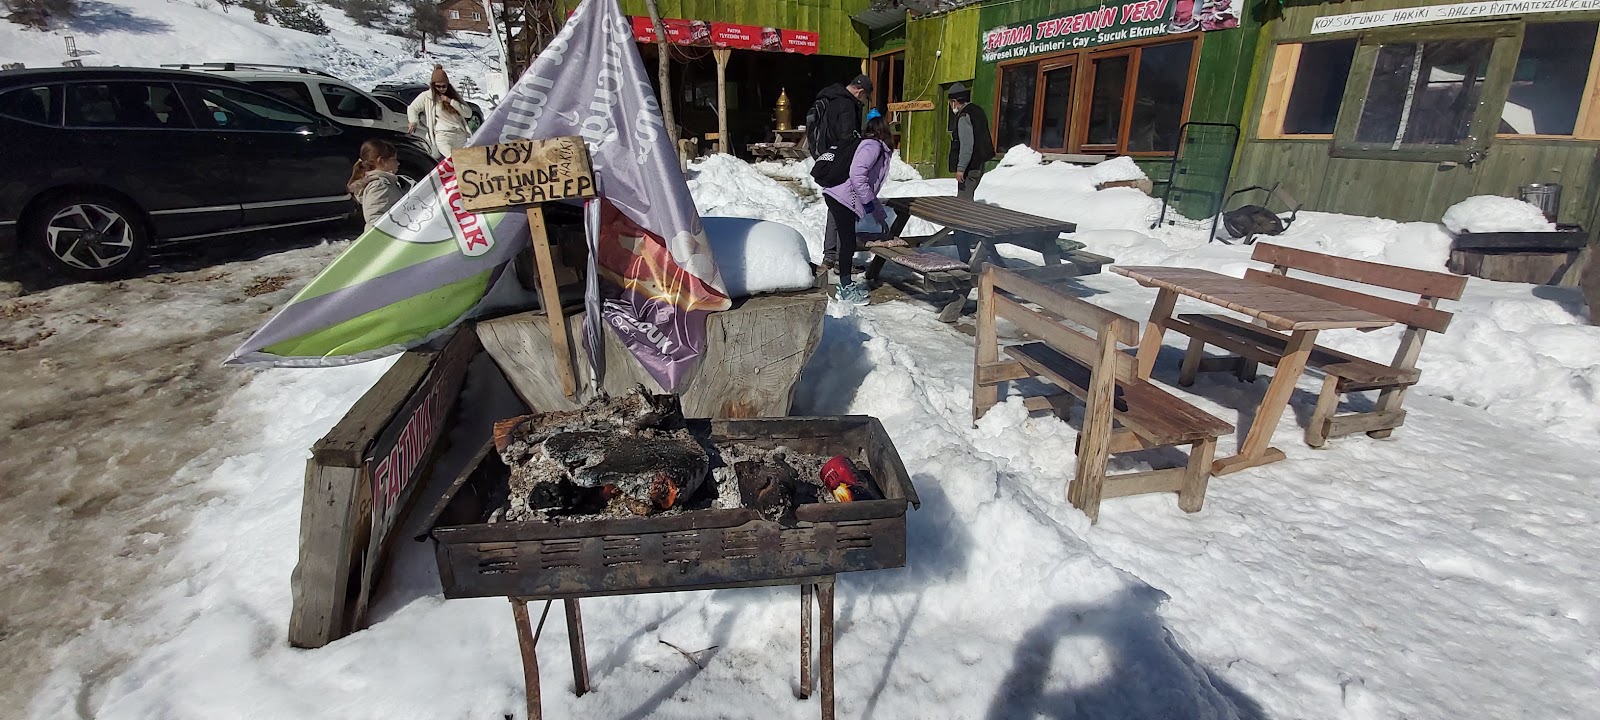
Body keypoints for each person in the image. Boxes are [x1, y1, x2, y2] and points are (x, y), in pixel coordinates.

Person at [821, 116, 896, 306]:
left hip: (840, 196)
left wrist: (879, 215)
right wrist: (868, 203)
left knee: (847, 242)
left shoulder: (869, 145)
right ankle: (845, 289)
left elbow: (868, 187)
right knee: (847, 243)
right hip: (844, 197)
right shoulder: (873, 146)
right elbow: (857, 175)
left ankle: (845, 284)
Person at [407, 65, 473, 159]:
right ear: (433, 85)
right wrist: (413, 121)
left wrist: (450, 101)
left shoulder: (453, 96)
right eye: (438, 86)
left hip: (459, 135)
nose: (441, 89)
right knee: (451, 161)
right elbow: (412, 108)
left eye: (444, 86)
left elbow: (468, 113)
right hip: (443, 136)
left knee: (463, 162)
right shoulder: (427, 97)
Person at [347, 140, 413, 229]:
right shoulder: (379, 185)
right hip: (388, 237)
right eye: (394, 159)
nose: (398, 163)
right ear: (381, 161)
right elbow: (375, 218)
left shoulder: (386, 182)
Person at [946, 82, 996, 200]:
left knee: (963, 202)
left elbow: (966, 145)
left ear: (954, 101)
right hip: (979, 163)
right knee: (967, 199)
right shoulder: (977, 111)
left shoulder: (964, 116)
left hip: (970, 167)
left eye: (950, 103)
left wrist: (960, 169)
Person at [806, 74, 872, 159]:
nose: (864, 100)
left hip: (824, 154)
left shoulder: (831, 97)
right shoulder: (847, 105)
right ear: (861, 92)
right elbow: (847, 137)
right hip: (837, 158)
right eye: (865, 97)